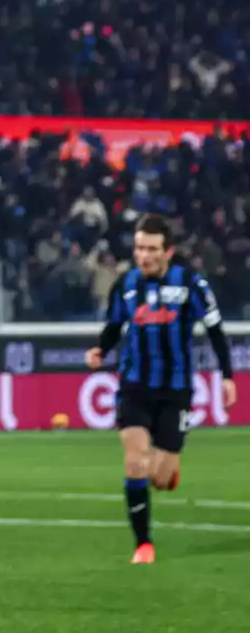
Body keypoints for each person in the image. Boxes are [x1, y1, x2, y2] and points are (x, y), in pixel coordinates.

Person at [85, 214, 236, 565]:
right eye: (139, 248)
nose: (144, 255)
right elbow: (114, 325)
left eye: (152, 249)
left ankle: (167, 470)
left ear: (168, 251)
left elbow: (215, 330)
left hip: (176, 390)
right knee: (135, 461)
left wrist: (227, 376)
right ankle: (144, 545)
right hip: (135, 385)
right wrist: (100, 350)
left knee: (162, 477)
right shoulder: (125, 284)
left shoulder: (191, 285)